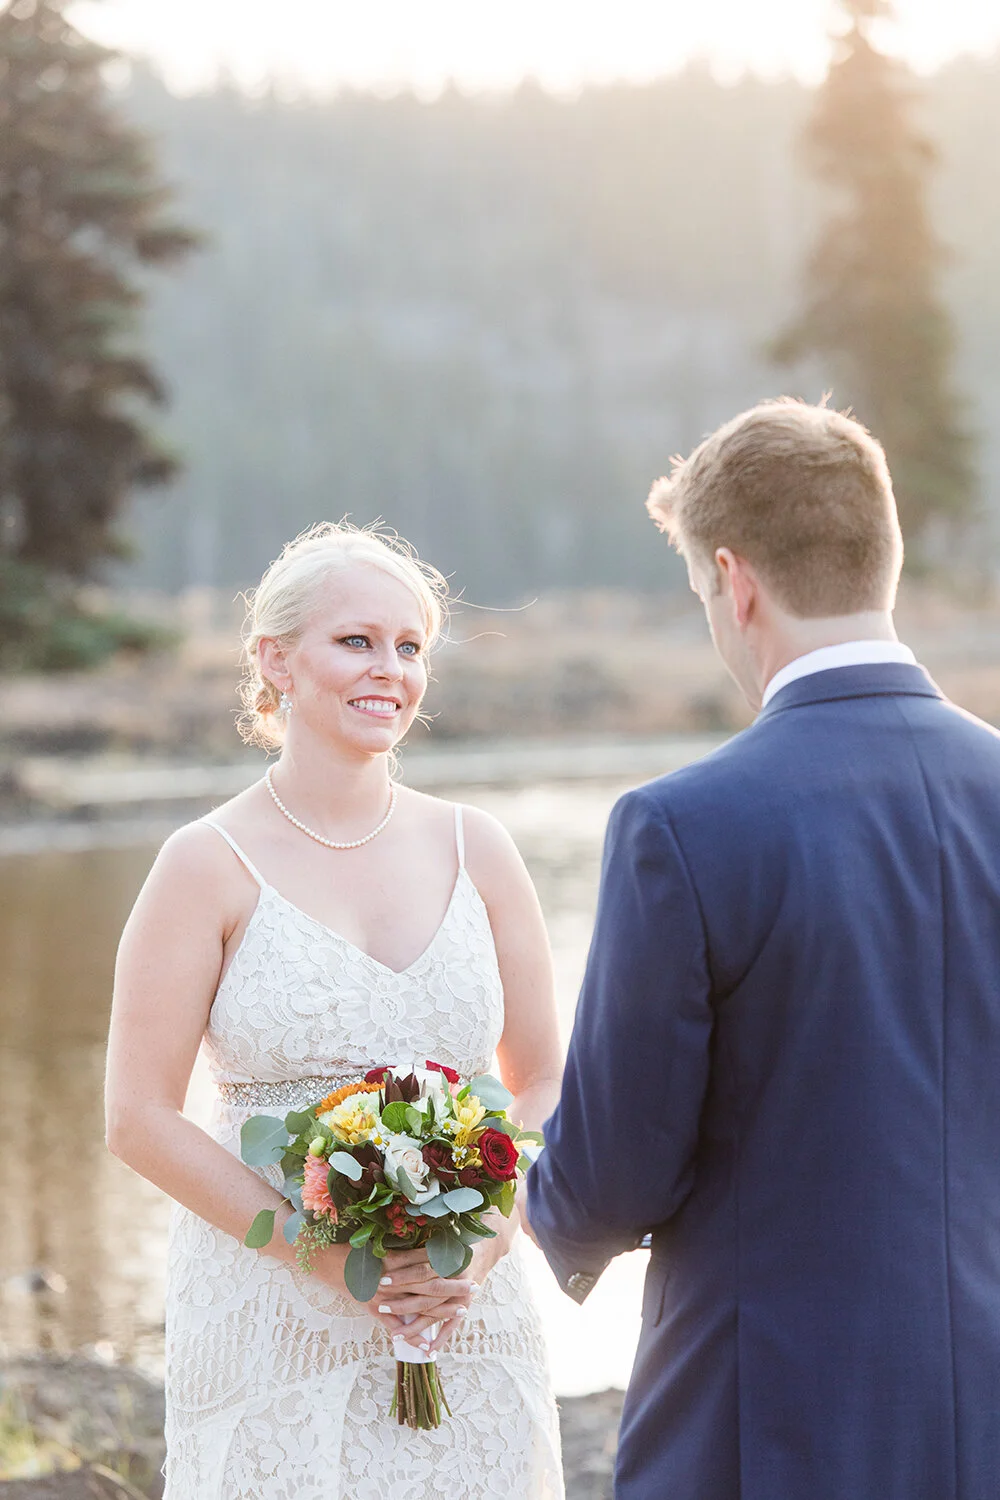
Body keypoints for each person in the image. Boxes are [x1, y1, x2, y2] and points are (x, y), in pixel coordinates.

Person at [527, 399, 1000, 1500]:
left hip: (767, 1418)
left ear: (734, 582)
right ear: (877, 555)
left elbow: (612, 1175)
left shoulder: (684, 825)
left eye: (700, 594)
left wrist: (509, 1179)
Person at [105, 523, 564, 1500]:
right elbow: (137, 1118)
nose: (389, 670)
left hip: (464, 1308)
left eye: (409, 648)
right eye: (356, 641)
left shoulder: (478, 848)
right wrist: (325, 1260)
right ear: (274, 661)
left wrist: (476, 1254)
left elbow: (544, 1077)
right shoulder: (204, 863)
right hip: (274, 1310)